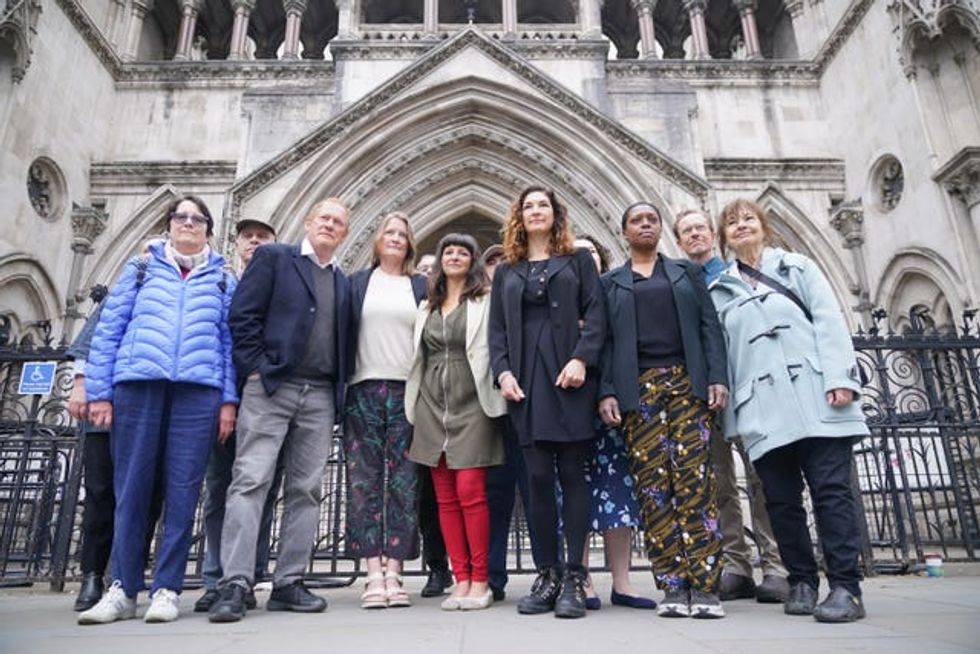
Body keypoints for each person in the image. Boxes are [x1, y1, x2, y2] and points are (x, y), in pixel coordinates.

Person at [78, 195, 238, 624]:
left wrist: (228, 400)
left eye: (197, 218)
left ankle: (166, 588)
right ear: (169, 225)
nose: (188, 224)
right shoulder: (140, 268)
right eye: (180, 217)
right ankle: (122, 588)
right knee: (131, 489)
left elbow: (227, 344)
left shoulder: (223, 279)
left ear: (208, 227)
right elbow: (109, 331)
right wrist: (99, 392)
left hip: (197, 392)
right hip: (138, 386)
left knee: (184, 492)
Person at [709, 198, 870, 623]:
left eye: (748, 219)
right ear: (723, 237)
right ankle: (801, 580)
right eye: (731, 223)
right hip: (761, 407)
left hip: (817, 393)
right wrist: (732, 419)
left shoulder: (799, 268)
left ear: (764, 226)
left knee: (831, 492)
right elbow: (722, 358)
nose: (741, 226)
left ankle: (845, 587)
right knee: (780, 499)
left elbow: (829, 321)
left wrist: (840, 379)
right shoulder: (720, 289)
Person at [209, 198, 351, 623]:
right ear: (308, 222)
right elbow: (243, 316)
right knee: (250, 479)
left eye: (338, 222)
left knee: (307, 489)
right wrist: (254, 369)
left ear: (345, 233)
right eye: (323, 217)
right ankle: (234, 583)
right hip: (272, 387)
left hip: (321, 394)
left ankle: (289, 581)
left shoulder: (343, 281)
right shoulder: (274, 257)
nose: (330, 225)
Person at [598, 202, 728, 619]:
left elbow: (710, 327)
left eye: (652, 219)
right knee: (654, 490)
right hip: (639, 391)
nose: (646, 225)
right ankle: (672, 584)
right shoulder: (611, 283)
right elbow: (603, 343)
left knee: (695, 482)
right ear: (625, 232)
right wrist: (607, 392)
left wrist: (716, 378)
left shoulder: (686, 273)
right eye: (636, 220)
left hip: (687, 385)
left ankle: (705, 586)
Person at [489, 185, 606, 619]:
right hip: (525, 384)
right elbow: (496, 331)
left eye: (543, 205)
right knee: (537, 478)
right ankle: (548, 572)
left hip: (570, 379)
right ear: (519, 216)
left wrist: (581, 360)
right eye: (528, 206)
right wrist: (502, 373)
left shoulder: (577, 260)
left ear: (556, 214)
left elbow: (597, 315)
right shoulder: (507, 270)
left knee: (573, 474)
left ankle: (575, 574)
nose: (536, 211)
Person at [674, 208, 790, 603]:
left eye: (700, 228)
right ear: (678, 241)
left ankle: (775, 565)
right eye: (686, 231)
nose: (694, 236)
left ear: (714, 233)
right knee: (718, 480)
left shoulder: (739, 274)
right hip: (705, 394)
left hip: (748, 386)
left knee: (762, 477)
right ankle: (735, 565)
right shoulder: (680, 281)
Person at [406, 234, 506, 611]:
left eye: (463, 252)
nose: (454, 256)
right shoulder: (427, 306)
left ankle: (480, 580)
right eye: (448, 251)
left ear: (473, 261)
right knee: (445, 497)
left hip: (473, 402)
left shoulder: (484, 302)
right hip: (432, 403)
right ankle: (460, 578)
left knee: (471, 491)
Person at [195, 217, 282, 613]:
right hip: (224, 403)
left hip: (267, 401)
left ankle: (249, 574)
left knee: (260, 490)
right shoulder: (221, 284)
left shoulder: (283, 289)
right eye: (247, 237)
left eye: (263, 237)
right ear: (236, 244)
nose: (254, 243)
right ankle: (216, 577)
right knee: (221, 489)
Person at [343, 212, 427, 609]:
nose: (395, 238)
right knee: (364, 482)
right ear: (377, 241)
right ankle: (371, 572)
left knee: (404, 483)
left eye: (402, 234)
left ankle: (395, 571)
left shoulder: (420, 287)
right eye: (389, 233)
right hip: (362, 388)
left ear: (410, 243)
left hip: (407, 392)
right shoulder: (357, 283)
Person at [67, 284, 163, 612]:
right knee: (100, 492)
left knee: (146, 495)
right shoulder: (126, 291)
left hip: (148, 411)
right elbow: (87, 344)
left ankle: (129, 574)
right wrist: (81, 386)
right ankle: (92, 574)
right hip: (106, 410)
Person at [572, 235, 655, 612]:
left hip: (613, 408)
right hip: (570, 407)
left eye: (591, 252)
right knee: (574, 493)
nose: (585, 259)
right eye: (577, 254)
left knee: (617, 492)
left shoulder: (615, 296)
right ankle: (582, 578)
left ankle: (622, 581)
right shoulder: (561, 299)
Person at [482, 242, 542, 602]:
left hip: (529, 410)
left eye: (505, 259)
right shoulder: (474, 304)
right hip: (489, 415)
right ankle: (492, 576)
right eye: (491, 260)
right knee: (494, 497)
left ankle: (545, 569)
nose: (499, 264)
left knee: (537, 492)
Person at [413, 251, 453, 597]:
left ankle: (473, 568)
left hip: (461, 408)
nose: (427, 275)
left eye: (433, 270)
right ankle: (438, 566)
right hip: (423, 407)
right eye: (422, 269)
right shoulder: (419, 308)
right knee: (430, 495)